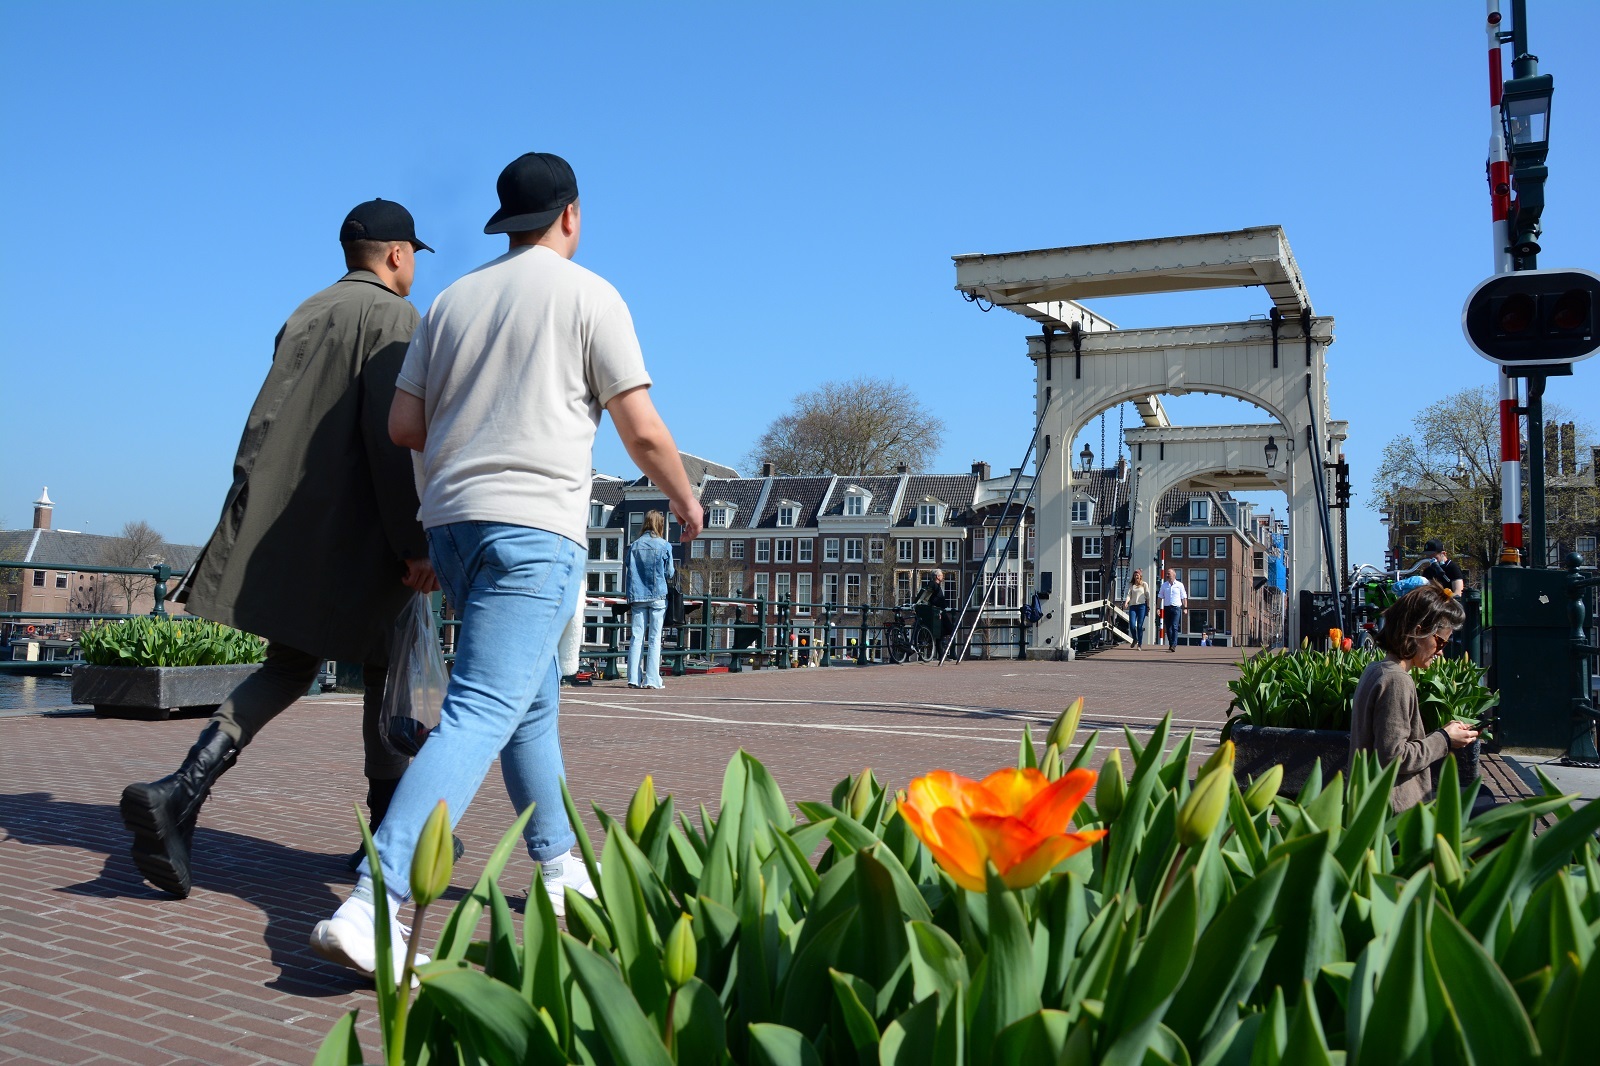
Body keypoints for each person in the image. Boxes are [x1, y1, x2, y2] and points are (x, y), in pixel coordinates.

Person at [311, 151, 702, 978]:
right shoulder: (591, 295)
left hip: (453, 525)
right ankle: (373, 901)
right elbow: (640, 431)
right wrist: (686, 498)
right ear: (571, 215)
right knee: (483, 708)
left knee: (528, 707)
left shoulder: (452, 300)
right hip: (535, 528)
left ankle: (560, 873)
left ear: (505, 222)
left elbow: (406, 428)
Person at [120, 200, 438, 899]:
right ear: (395, 255)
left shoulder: (307, 309)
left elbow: (267, 422)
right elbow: (394, 439)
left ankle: (180, 792)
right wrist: (414, 541)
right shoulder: (394, 318)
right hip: (364, 535)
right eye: (414, 252)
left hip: (295, 528)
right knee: (385, 679)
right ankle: (386, 843)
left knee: (288, 668)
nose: (414, 264)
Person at [1350, 586, 1477, 813]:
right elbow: (1394, 757)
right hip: (1394, 812)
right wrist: (1445, 739)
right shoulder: (1397, 681)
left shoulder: (1376, 670)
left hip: (1370, 803)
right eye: (1440, 642)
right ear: (1418, 632)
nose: (1440, 653)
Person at [625, 510, 674, 688]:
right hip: (658, 595)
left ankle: (633, 679)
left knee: (636, 637)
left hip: (637, 595)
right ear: (660, 524)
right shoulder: (664, 545)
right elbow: (669, 573)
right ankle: (652, 680)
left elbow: (628, 567)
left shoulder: (635, 545)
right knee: (654, 638)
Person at [1157, 568, 1187, 653]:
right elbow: (1160, 597)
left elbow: (1184, 597)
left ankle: (1174, 645)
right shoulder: (1164, 585)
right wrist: (1158, 608)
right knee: (1168, 628)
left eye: (1169, 573)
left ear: (1174, 575)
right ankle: (1171, 643)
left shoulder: (1179, 585)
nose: (1167, 575)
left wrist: (1185, 608)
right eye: (1167, 573)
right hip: (1167, 608)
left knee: (1175, 626)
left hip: (1176, 608)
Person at [1123, 569, 1149, 649]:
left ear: (1140, 576)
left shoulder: (1144, 584)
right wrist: (1126, 602)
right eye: (1135, 575)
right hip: (1133, 606)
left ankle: (1139, 644)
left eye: (1137, 575)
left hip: (1142, 606)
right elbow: (1129, 595)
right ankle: (1135, 638)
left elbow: (1147, 596)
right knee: (1132, 625)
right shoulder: (1132, 585)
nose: (1136, 576)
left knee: (1140, 626)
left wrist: (1148, 606)